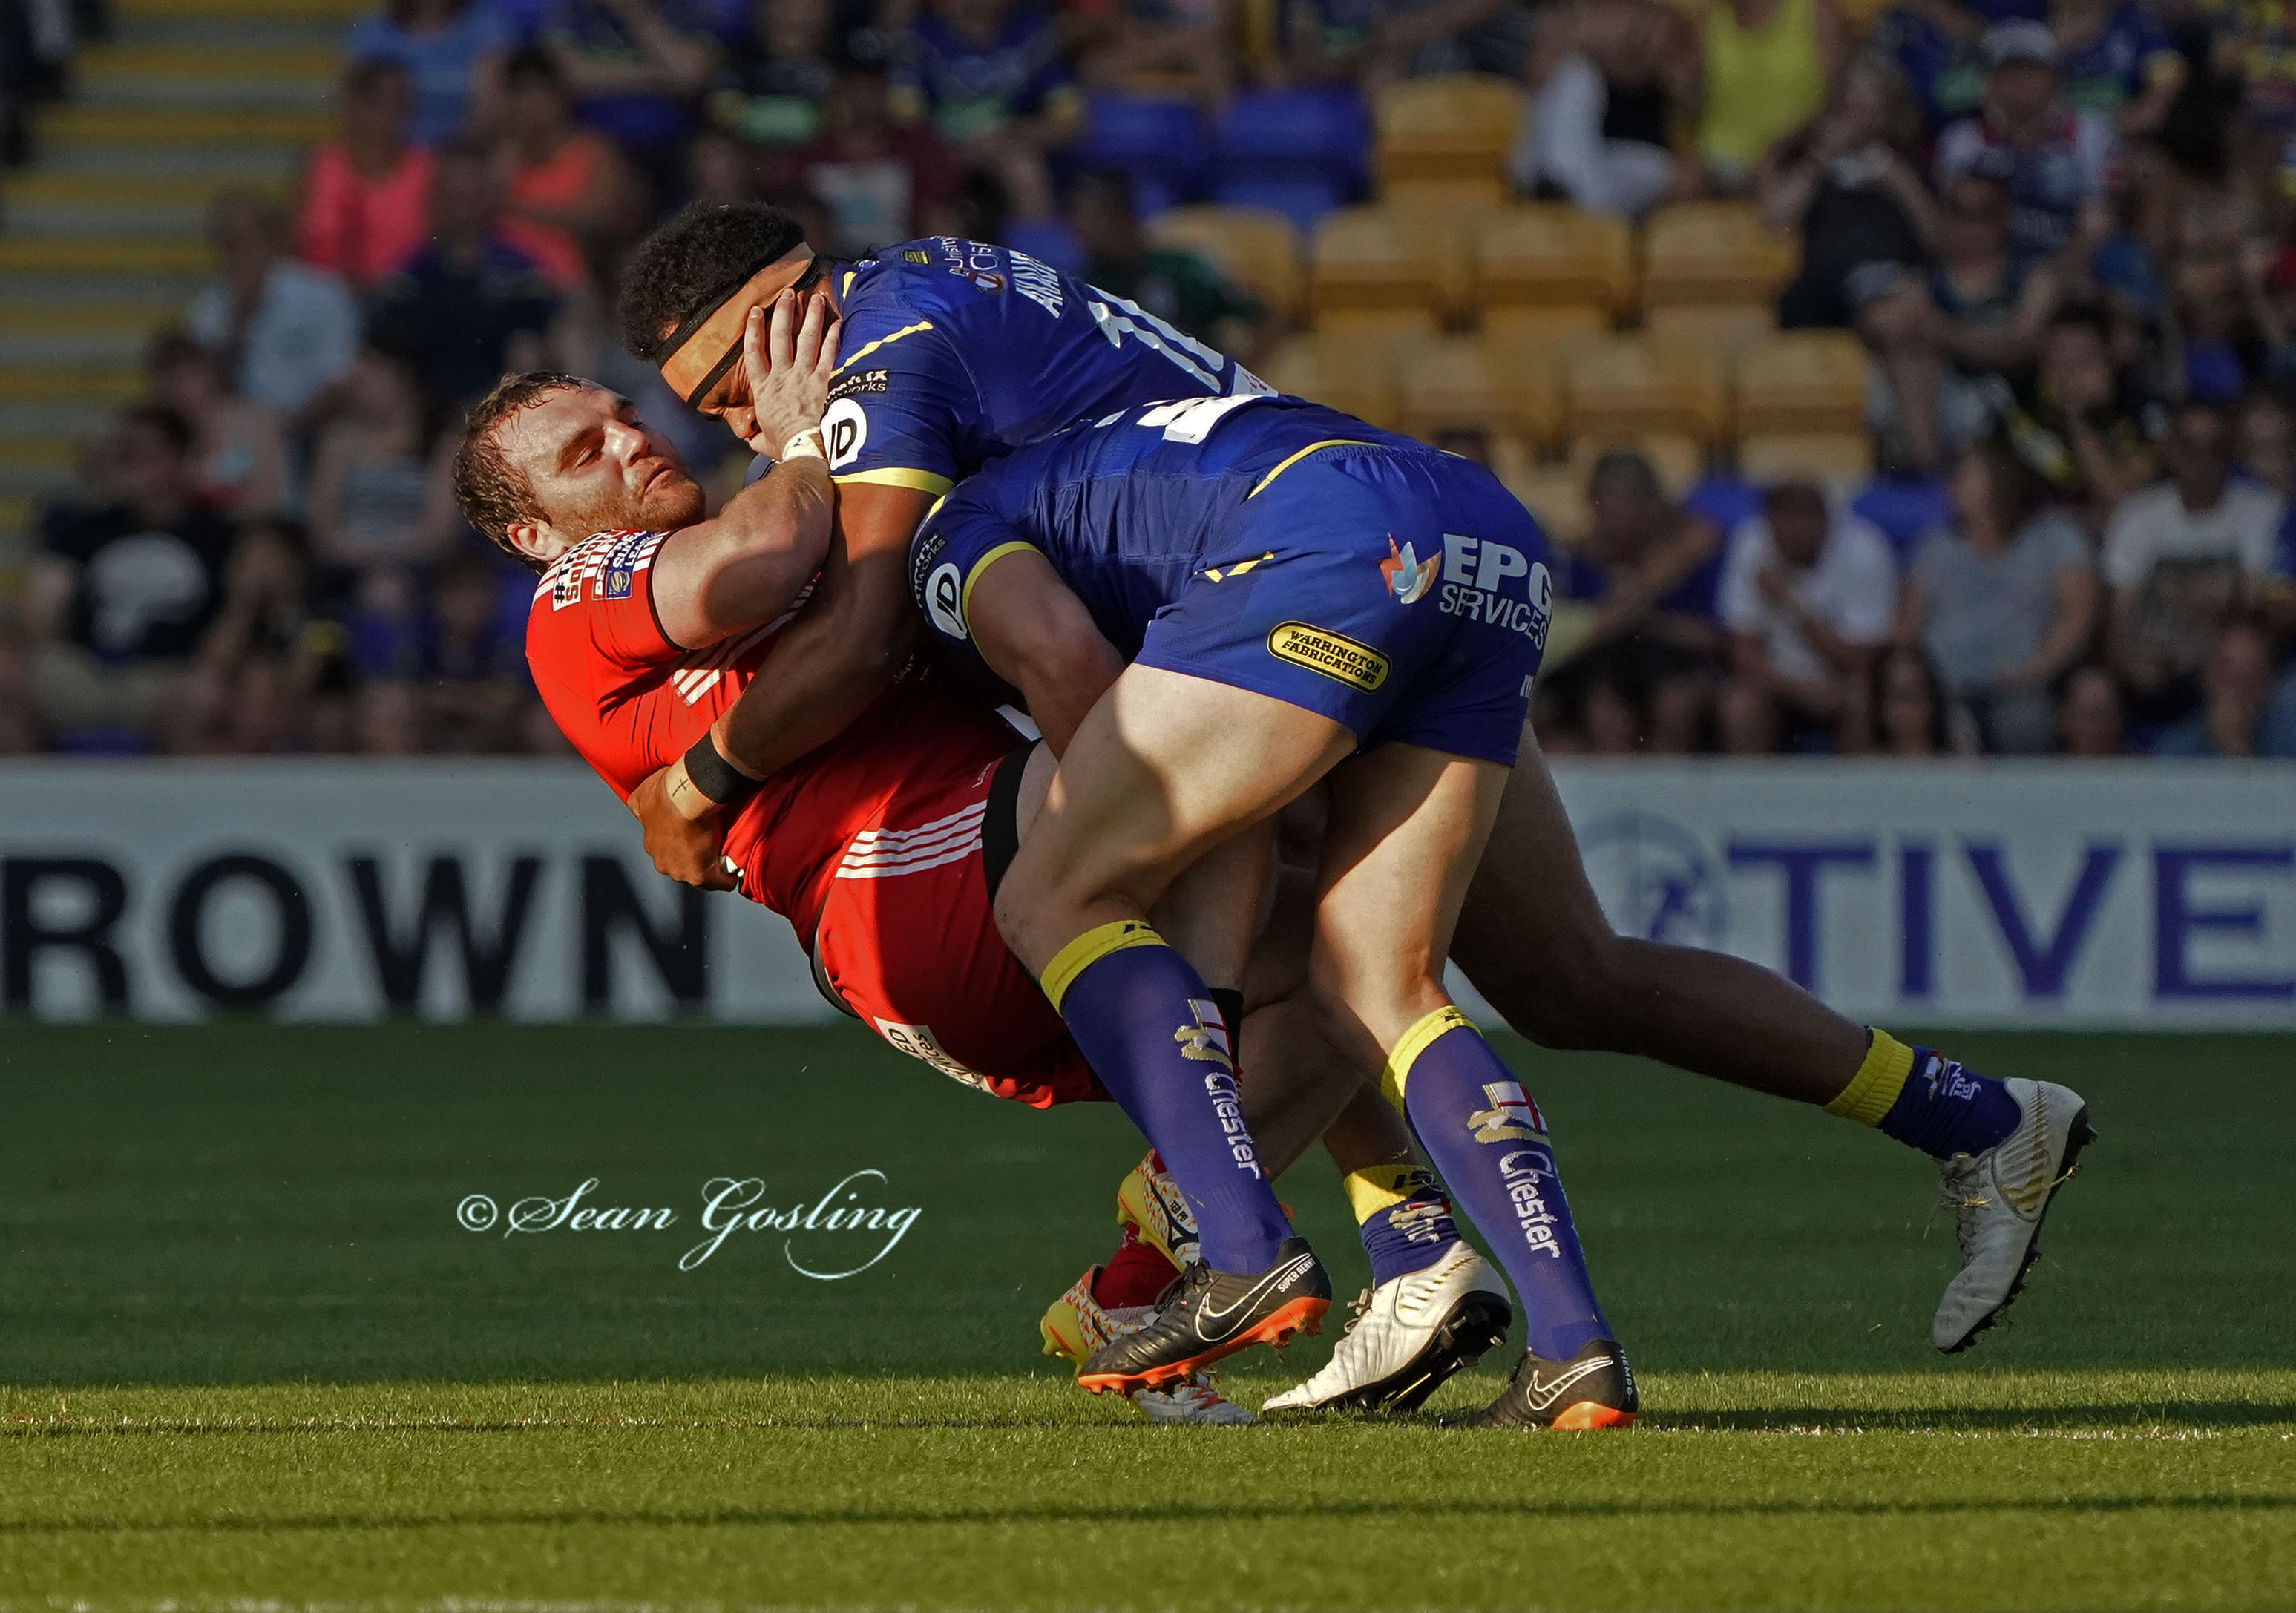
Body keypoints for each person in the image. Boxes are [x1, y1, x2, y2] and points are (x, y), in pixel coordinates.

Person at [617, 203, 2099, 1380]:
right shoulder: (944, 279)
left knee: (1180, 912)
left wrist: (699, 776)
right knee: (1553, 975)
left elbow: (866, 618)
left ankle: (1362, 1251)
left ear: (788, 306)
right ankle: (1972, 1118)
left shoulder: (877, 352)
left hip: (1272, 586)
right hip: (1375, 533)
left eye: (732, 385)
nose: (741, 423)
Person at [459, 305, 1502, 1422]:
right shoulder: (577, 590)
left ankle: (1173, 1286)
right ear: (533, 533)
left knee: (1342, 948)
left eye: (624, 415)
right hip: (900, 884)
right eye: (586, 451)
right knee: (1200, 756)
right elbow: (754, 563)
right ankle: (1260, 1220)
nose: (632, 440)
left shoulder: (787, 526)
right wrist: (810, 437)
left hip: (964, 902)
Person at [909, 388, 1644, 1425]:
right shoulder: (1104, 463)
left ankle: (1243, 1249)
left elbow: (1060, 656)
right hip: (1488, 536)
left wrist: (1186, 1009)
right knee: (1379, 984)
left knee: (1056, 891)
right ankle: (1573, 1348)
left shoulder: (951, 523)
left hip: (1334, 535)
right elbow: (1241, 801)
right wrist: (1210, 997)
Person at [23, 407, 237, 750]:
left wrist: (209, 667)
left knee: (202, 695)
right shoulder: (82, 528)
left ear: (181, 458)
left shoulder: (218, 536)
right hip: (85, 671)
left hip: (167, 675)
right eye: (127, 451)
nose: (136, 462)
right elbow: (38, 610)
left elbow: (237, 614)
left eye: (149, 452)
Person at [1898, 436, 2100, 752]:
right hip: (1947, 689)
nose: (1951, 486)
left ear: (1999, 478)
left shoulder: (2054, 536)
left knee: (2026, 721)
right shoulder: (1935, 548)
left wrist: (2035, 669)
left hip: (2027, 684)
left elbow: (2078, 615)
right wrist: (1929, 683)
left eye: (1963, 476)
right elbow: (1908, 630)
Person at [1856, 171, 2058, 473]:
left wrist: (1944, 332)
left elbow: (2022, 345)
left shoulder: (2034, 276)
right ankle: (1927, 469)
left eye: (1983, 212)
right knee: (1905, 350)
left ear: (2005, 216)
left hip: (2011, 402)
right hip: (1941, 398)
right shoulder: (1926, 277)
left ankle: (1928, 470)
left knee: (1919, 347)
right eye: (1959, 212)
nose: (1971, 225)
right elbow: (1875, 323)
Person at [2103, 398, 2284, 724]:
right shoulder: (2136, 516)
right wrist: (2132, 662)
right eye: (2189, 446)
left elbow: (2262, 604)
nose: (2201, 459)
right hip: (2161, 670)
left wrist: (2226, 600)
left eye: (2214, 447)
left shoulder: (2263, 511)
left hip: (2234, 668)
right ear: (2171, 450)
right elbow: (2120, 620)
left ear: (2229, 451)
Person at [1538, 448, 1725, 754]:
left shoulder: (1696, 556)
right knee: (1601, 711)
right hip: (1596, 673)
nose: (1613, 524)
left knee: (1675, 704)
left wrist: (1647, 617)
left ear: (1650, 506)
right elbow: (1574, 636)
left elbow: (1713, 639)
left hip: (1676, 667)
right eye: (1606, 510)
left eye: (1625, 510)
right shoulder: (1576, 562)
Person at [367, 140, 565, 422]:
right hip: (419, 414)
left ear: (489, 198)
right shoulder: (410, 277)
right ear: (436, 198)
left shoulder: (521, 274)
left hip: (502, 415)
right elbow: (384, 352)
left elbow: (536, 352)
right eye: (453, 196)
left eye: (471, 197)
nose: (462, 210)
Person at [1718, 479, 1900, 752]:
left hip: (1841, 678)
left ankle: (1861, 780)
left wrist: (1792, 605)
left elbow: (1860, 659)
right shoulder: (1751, 542)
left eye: (1803, 526)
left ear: (1825, 522)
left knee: (1860, 697)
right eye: (1784, 528)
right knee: (1741, 705)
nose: (1794, 538)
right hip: (1777, 679)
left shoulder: (1864, 547)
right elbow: (1743, 650)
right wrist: (1802, 693)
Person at [1763, 56, 1935, 332]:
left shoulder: (1911, 159)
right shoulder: (1808, 157)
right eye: (1852, 99)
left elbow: (1935, 237)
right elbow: (1775, 218)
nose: (1859, 111)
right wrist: (1820, 158)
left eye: (1871, 98)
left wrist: (1901, 182)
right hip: (1826, 284)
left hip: (1890, 278)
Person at [1935, 22, 2115, 275]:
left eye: (2031, 71)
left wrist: (2056, 275)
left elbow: (2098, 223)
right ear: (1991, 81)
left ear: (2055, 79)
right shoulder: (1961, 142)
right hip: (1989, 266)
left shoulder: (2091, 134)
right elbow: (1954, 227)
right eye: (2009, 72)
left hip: (2072, 262)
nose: (2021, 81)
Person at [890, 0, 1082, 220]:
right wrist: (954, 149)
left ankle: (1036, 240)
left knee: (1023, 169)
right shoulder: (922, 37)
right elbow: (903, 118)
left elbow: (1071, 119)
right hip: (942, 151)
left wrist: (1010, 134)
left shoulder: (1033, 32)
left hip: (1010, 144)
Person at [185, 193, 361, 424]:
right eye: (227, 244)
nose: (237, 255)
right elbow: (205, 381)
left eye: (244, 241)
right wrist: (240, 316)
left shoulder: (321, 295)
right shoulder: (211, 305)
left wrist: (293, 424)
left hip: (310, 426)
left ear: (270, 240)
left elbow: (339, 373)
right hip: (236, 429)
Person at [1512, 0, 1694, 218]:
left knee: (1660, 169)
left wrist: (1679, 84)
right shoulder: (1581, 66)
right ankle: (1559, 187)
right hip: (1547, 166)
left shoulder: (1667, 85)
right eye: (1639, 41)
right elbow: (1534, 78)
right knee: (1577, 74)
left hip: (1600, 184)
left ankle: (1569, 199)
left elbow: (1692, 153)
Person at [1067, 170, 1274, 361]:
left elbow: (1261, 315)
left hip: (1199, 382)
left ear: (1122, 216)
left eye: (1091, 218)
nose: (1081, 229)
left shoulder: (1182, 268)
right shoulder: (1086, 287)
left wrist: (1246, 371)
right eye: (1076, 219)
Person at [493, 45, 640, 292]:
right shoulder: (504, 152)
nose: (532, 104)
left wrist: (516, 207)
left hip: (571, 286)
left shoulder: (596, 152)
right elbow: (484, 208)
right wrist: (512, 149)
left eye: (541, 92)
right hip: (504, 281)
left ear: (561, 94)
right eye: (521, 94)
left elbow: (598, 218)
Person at [790, 63, 965, 256]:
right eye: (855, 89)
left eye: (871, 89)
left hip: (901, 256)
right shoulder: (811, 153)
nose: (862, 100)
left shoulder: (915, 147)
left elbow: (941, 203)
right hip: (828, 261)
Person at [295, 58, 438, 291]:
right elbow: (295, 241)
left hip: (402, 297)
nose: (391, 114)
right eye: (379, 101)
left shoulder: (425, 170)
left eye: (401, 104)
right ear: (355, 104)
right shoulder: (320, 164)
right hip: (323, 295)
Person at [1693, 0, 1840, 191]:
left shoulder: (1816, 8)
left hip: (1796, 157)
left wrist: (1782, 149)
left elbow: (1837, 99)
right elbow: (1697, 103)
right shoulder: (1712, 16)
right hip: (1717, 163)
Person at [144, 329, 289, 518]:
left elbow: (268, 498)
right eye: (170, 382)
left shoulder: (253, 423)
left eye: (188, 377)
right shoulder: (167, 439)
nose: (180, 391)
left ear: (209, 375)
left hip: (252, 525)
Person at [345, 0, 514, 146]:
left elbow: (491, 108)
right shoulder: (373, 35)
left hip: (463, 157)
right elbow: (353, 106)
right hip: (393, 155)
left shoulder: (485, 28)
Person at [2149, 614, 2296, 754]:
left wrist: (2235, 747)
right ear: (2206, 675)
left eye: (2254, 668)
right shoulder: (2175, 750)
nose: (2240, 681)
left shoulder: (2288, 739)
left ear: (2271, 677)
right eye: (2226, 668)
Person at [2056, 659, 2127, 753]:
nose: (2096, 727)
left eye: (2104, 713)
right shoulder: (2040, 760)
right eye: (2086, 714)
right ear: (2064, 717)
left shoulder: (2140, 759)